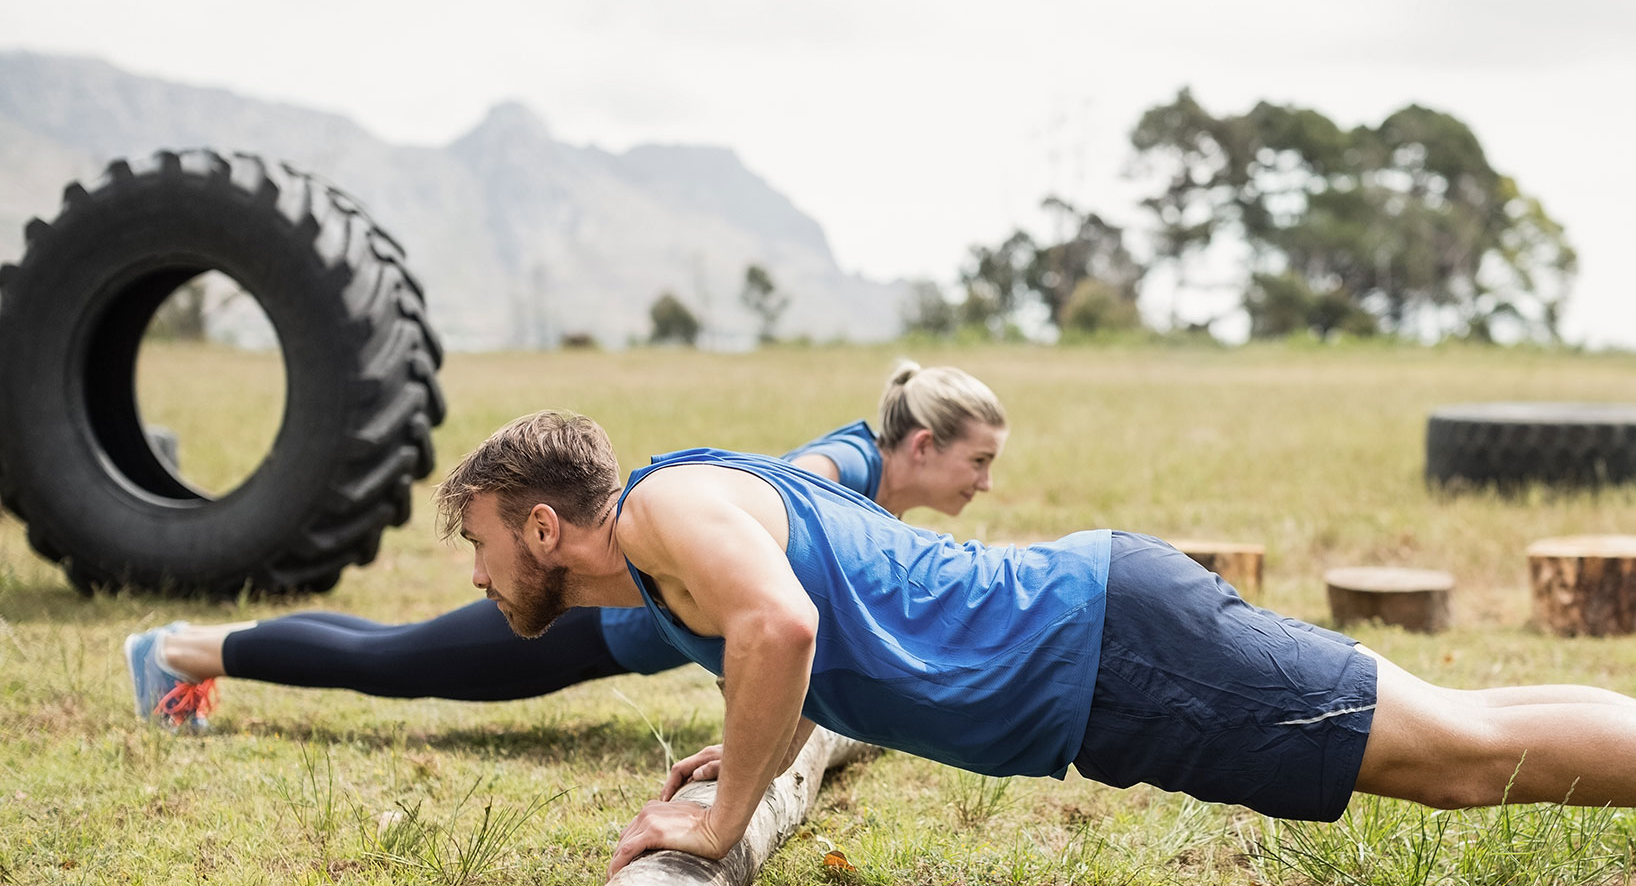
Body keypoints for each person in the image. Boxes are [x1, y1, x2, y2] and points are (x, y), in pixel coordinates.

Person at [429, 410, 1636, 886]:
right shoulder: (683, 518)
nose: (481, 568)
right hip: (1106, 636)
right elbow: (822, 599)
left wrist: (723, 816)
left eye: (482, 538)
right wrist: (740, 754)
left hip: (1111, 652)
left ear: (544, 525)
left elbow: (782, 628)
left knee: (1464, 754)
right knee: (1465, 733)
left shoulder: (665, 515)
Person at [122, 362, 1008, 733]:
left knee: (396, 651)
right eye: (978, 461)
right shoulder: (847, 462)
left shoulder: (878, 480)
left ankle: (191, 649)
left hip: (624, 621)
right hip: (597, 613)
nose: (984, 481)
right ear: (922, 445)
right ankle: (179, 651)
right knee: (393, 659)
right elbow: (769, 554)